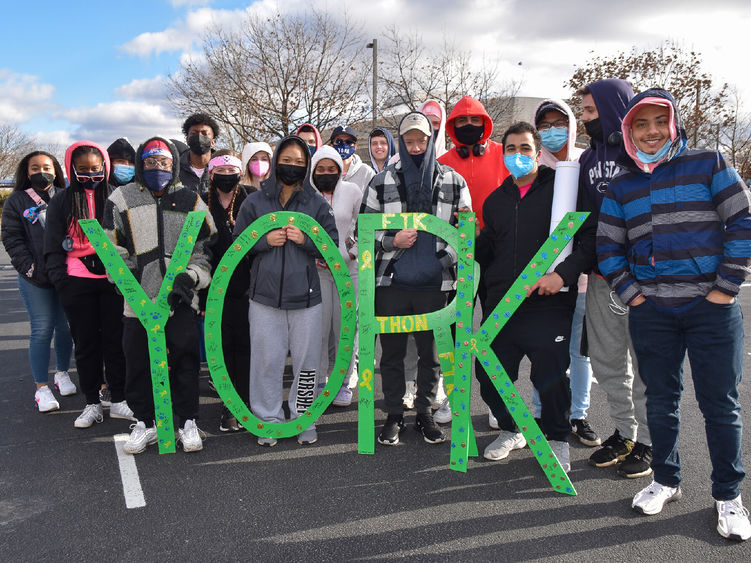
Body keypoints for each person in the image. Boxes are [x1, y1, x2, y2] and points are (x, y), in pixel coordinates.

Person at [598, 88, 751, 541]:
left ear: (674, 123)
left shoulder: (709, 163)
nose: (650, 132)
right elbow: (609, 248)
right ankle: (666, 480)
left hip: (712, 311)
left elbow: (742, 221)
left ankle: (728, 496)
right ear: (628, 132)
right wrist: (634, 296)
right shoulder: (621, 186)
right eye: (639, 125)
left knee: (719, 404)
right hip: (652, 313)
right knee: (660, 402)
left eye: (658, 122)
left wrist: (725, 290)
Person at [475, 122, 595, 472]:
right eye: (510, 149)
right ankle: (512, 430)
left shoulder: (562, 188)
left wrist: (562, 275)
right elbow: (490, 250)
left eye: (525, 148)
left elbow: (588, 239)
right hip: (502, 303)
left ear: (537, 151)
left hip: (549, 302)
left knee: (551, 375)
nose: (517, 156)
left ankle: (557, 439)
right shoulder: (496, 200)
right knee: (488, 371)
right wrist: (468, 236)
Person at [361, 111, 471, 446]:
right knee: (391, 354)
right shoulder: (382, 181)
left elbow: (465, 235)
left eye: (421, 140)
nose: (415, 146)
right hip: (391, 283)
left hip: (435, 285)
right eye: (409, 141)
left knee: (432, 355)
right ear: (401, 142)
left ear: (431, 139)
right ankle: (395, 413)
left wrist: (443, 260)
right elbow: (363, 231)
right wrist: (392, 241)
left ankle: (424, 412)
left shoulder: (453, 181)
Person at [103, 137, 216, 454]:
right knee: (137, 362)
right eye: (151, 161)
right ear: (141, 163)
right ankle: (145, 422)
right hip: (136, 302)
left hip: (179, 300)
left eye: (164, 162)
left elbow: (204, 252)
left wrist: (190, 279)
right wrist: (128, 281)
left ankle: (187, 422)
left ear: (174, 165)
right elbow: (112, 248)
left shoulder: (192, 200)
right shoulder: (120, 198)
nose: (158, 168)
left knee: (185, 359)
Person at [233, 135, 338, 447]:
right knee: (267, 360)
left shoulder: (316, 203)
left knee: (307, 364)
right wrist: (265, 241)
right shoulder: (255, 201)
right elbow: (238, 245)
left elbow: (329, 246)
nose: (292, 167)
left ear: (306, 167)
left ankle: (303, 417)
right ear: (276, 159)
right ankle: (267, 420)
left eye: (299, 162)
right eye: (287, 160)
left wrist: (305, 240)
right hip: (264, 299)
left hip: (307, 299)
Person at [578, 79, 653, 479]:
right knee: (608, 362)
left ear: (611, 108)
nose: (585, 118)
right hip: (601, 277)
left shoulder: (643, 154)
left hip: (643, 279)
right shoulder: (589, 160)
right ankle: (625, 432)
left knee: (645, 364)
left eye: (591, 111)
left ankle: (650, 442)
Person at [527, 99, 600, 448]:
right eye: (545, 126)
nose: (552, 131)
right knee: (545, 350)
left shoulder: (586, 161)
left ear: (571, 125)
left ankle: (578, 416)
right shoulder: (533, 167)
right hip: (542, 279)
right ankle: (542, 411)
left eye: (560, 123)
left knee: (578, 351)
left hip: (582, 278)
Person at [44, 141, 131, 428]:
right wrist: (62, 281)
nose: (90, 174)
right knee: (86, 344)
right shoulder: (61, 200)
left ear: (104, 167)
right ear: (71, 169)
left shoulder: (117, 196)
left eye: (95, 169)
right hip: (77, 280)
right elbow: (52, 245)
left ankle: (118, 398)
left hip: (113, 280)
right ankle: (92, 402)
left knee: (115, 341)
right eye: (82, 170)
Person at [1, 151, 74, 412]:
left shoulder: (66, 197)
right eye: (35, 168)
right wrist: (30, 268)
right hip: (35, 278)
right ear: (27, 172)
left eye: (46, 167)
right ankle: (41, 388)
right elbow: (12, 239)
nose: (41, 171)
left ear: (56, 171)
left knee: (66, 328)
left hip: (65, 275)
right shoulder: (16, 201)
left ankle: (62, 373)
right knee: (42, 329)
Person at [201, 149, 252, 432]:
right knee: (221, 350)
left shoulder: (250, 198)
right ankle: (228, 405)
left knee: (245, 348)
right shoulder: (200, 204)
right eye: (220, 172)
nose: (226, 177)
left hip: (247, 288)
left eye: (231, 171)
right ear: (211, 174)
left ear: (240, 172)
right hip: (213, 290)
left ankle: (244, 402)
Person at [307, 145, 362, 407]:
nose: (326, 173)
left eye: (332, 169)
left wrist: (352, 254)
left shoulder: (352, 191)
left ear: (340, 170)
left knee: (345, 329)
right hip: (316, 271)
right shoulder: (305, 196)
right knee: (319, 329)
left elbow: (365, 227)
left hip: (347, 271)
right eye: (321, 169)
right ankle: (319, 382)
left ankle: (342, 382)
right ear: (313, 171)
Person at [438, 95, 508, 230]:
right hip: (455, 239)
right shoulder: (441, 163)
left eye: (475, 120)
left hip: (498, 237)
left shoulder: (504, 154)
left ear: (484, 123)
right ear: (453, 125)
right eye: (462, 120)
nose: (468, 124)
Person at [179, 112, 220, 197]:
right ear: (187, 140)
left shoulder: (224, 169)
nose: (199, 137)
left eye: (204, 133)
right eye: (194, 133)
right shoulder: (175, 169)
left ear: (213, 142)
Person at [328, 125, 375, 192]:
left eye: (349, 142)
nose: (344, 145)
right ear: (331, 145)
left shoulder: (366, 172)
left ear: (355, 147)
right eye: (339, 142)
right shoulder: (325, 170)